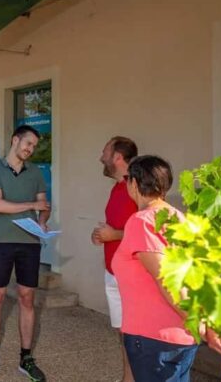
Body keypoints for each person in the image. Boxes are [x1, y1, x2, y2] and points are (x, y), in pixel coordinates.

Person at [113, 155, 221, 381]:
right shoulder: (181, 220)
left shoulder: (142, 221)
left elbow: (169, 281)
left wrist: (202, 325)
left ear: (135, 184)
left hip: (153, 339)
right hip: (181, 338)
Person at [0, 125, 50, 382]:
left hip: (29, 243)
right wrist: (33, 205)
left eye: (33, 147)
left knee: (27, 298)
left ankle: (26, 357)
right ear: (15, 140)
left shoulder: (36, 173)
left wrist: (42, 220)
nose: (30, 150)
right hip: (1, 242)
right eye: (27, 144)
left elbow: (44, 206)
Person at [91, 136, 138, 382]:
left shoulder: (137, 186)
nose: (101, 156)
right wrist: (101, 234)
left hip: (131, 275)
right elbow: (117, 225)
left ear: (118, 157)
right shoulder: (117, 187)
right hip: (113, 272)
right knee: (123, 333)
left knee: (134, 334)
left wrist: (115, 234)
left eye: (105, 151)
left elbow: (148, 229)